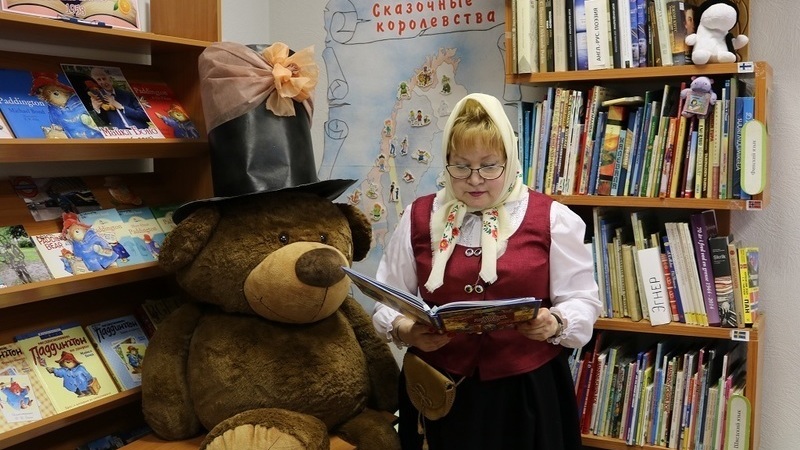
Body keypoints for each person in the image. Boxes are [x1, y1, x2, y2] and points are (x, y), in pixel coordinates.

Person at [372, 93, 602, 450]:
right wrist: (406, 329)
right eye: (461, 166)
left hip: (525, 391)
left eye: (490, 165)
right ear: (447, 163)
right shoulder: (419, 217)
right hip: (438, 389)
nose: (475, 179)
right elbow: (387, 297)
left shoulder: (553, 218)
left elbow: (582, 300)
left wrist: (555, 323)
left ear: (509, 161)